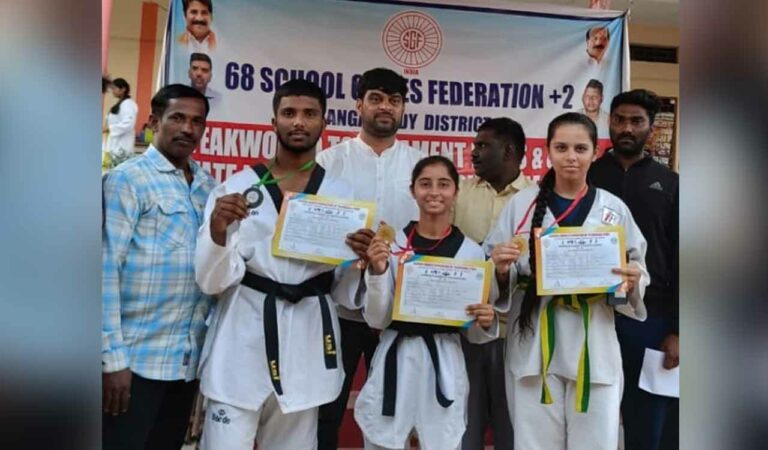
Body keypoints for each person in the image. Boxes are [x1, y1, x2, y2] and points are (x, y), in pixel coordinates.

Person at [194, 79, 363, 450]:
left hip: (306, 337)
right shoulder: (235, 189)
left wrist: (363, 262)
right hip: (244, 335)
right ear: (273, 122)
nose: (298, 122)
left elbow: (346, 291)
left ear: (324, 123)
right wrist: (218, 231)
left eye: (309, 114)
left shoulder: (341, 195)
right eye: (289, 113)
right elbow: (211, 281)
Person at [484, 112, 649, 450]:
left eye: (580, 148)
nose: (571, 157)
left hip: (595, 344)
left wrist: (631, 282)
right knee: (534, 443)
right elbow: (495, 272)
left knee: (597, 442)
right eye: (561, 147)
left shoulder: (612, 209)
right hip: (534, 342)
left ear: (594, 152)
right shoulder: (522, 205)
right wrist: (500, 269)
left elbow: (637, 270)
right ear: (547, 151)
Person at [102, 84, 217, 450]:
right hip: (134, 365)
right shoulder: (127, 180)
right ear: (153, 122)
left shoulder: (207, 187)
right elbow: (103, 271)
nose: (187, 128)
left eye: (197, 121)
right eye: (178, 118)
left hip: (184, 366)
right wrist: (111, 362)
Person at [356, 156, 498, 450]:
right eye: (425, 184)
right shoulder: (392, 245)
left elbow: (473, 334)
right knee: (383, 440)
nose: (434, 192)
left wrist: (486, 319)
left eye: (444, 184)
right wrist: (379, 271)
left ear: (456, 193)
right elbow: (376, 320)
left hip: (445, 357)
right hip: (396, 353)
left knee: (442, 441)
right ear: (412, 191)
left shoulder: (471, 253)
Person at [316, 67, 423, 449]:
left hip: (397, 310)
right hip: (337, 306)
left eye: (394, 101)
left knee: (392, 411)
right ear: (359, 104)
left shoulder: (420, 166)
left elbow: (428, 234)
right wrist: (341, 243)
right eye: (376, 98)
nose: (385, 107)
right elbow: (310, 231)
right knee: (326, 407)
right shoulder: (329, 162)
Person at [588, 89, 679, 450]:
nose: (626, 127)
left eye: (636, 121)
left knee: (648, 426)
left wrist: (677, 329)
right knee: (594, 420)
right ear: (608, 121)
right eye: (619, 119)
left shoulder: (670, 184)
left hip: (651, 320)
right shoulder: (587, 175)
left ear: (651, 128)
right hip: (593, 314)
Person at [452, 117, 531, 450]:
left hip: (518, 330)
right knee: (464, 427)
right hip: (464, 327)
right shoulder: (457, 194)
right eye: (475, 145)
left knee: (513, 427)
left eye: (483, 145)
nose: (474, 153)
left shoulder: (536, 201)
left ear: (509, 151)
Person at [103, 78, 139, 168]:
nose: (112, 91)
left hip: (122, 145)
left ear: (123, 89)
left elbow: (128, 124)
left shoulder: (128, 104)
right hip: (114, 144)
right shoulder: (120, 104)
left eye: (115, 88)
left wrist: (109, 128)